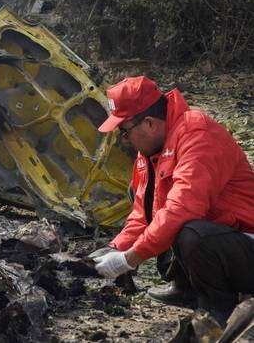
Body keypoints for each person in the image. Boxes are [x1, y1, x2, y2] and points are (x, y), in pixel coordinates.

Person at [92, 76, 254, 324]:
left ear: (149, 123)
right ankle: (186, 287)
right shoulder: (150, 149)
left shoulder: (199, 136)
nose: (124, 140)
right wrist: (116, 248)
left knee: (192, 234)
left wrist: (130, 259)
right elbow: (143, 212)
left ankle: (219, 310)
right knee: (145, 199)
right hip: (224, 235)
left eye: (124, 132)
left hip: (245, 239)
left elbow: (183, 208)